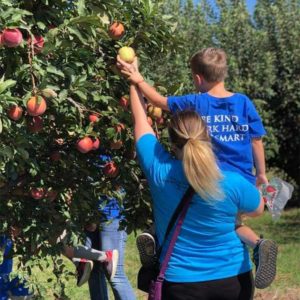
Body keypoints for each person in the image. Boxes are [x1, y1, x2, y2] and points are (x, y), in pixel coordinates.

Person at [117, 48, 278, 289]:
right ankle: (258, 244)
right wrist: (262, 174)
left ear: (197, 79)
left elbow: (158, 102)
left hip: (204, 177)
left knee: (170, 211)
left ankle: (154, 236)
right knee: (232, 223)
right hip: (238, 184)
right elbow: (257, 140)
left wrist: (136, 80)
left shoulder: (196, 102)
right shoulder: (243, 102)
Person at [80, 155, 136, 300]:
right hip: (88, 213)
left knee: (114, 273)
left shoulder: (114, 141)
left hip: (111, 215)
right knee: (92, 269)